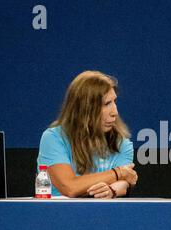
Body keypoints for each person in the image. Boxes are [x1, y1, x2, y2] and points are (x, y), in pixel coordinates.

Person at [37, 70, 137, 198]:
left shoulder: (121, 143)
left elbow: (124, 183)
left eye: (114, 102)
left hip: (105, 214)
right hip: (59, 215)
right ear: (85, 109)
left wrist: (111, 190)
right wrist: (117, 173)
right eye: (106, 104)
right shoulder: (53, 138)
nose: (115, 112)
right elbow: (70, 187)